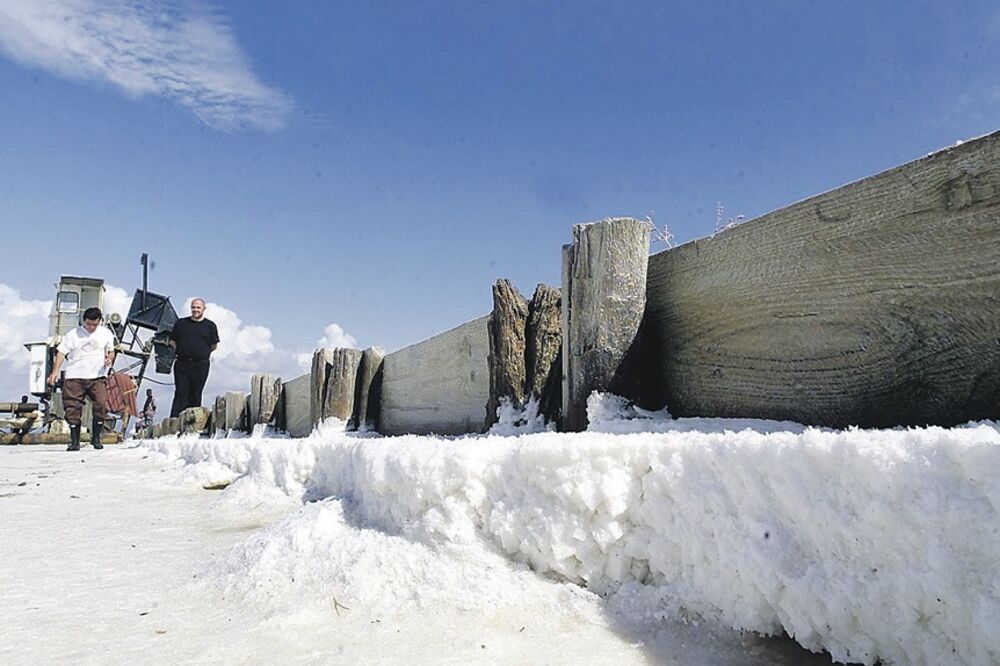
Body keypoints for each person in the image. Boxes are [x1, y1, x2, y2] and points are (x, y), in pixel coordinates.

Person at [47, 307, 115, 451]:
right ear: (83, 321)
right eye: (88, 324)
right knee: (72, 407)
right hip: (75, 376)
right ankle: (74, 441)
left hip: (97, 376)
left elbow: (111, 351)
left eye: (95, 324)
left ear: (100, 322)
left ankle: (96, 438)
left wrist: (109, 358)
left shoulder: (106, 333)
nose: (91, 327)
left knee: (101, 404)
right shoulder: (73, 334)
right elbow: (61, 352)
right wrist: (54, 372)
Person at [169, 298, 219, 417]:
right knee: (181, 392)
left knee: (196, 393)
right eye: (193, 307)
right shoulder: (181, 323)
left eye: (198, 307)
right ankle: (175, 420)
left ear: (203, 309)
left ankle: (193, 421)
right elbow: (172, 341)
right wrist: (183, 351)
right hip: (182, 363)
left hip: (200, 364)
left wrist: (201, 353)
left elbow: (213, 345)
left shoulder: (210, 326)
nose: (195, 310)